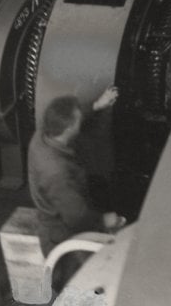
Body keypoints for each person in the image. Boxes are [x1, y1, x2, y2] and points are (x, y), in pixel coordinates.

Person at [27, 88, 125, 253]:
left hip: (63, 209)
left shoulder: (43, 133)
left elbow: (69, 118)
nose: (81, 120)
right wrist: (104, 220)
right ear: (69, 129)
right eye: (78, 120)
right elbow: (77, 217)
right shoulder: (55, 172)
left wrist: (96, 105)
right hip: (61, 236)